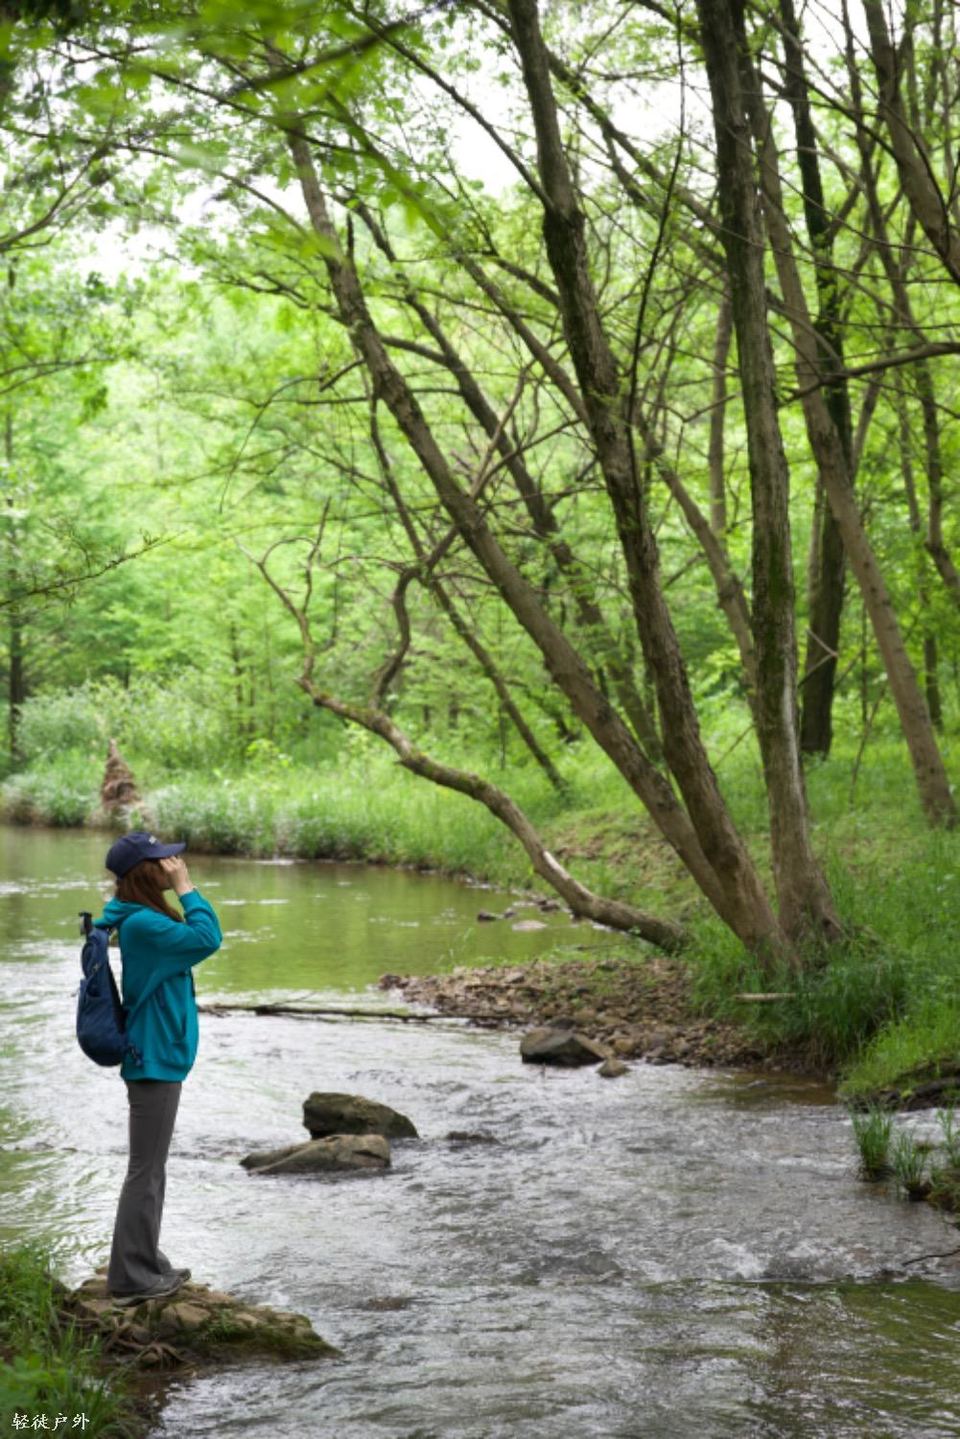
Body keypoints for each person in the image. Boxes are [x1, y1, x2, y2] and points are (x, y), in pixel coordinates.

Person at [97, 831, 222, 1307]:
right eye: (163, 860)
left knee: (151, 1169)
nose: (173, 863)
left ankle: (144, 1260)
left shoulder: (136, 916)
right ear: (146, 873)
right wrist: (187, 887)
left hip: (155, 1053)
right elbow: (207, 938)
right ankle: (131, 1278)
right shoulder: (145, 925)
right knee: (145, 1170)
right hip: (153, 1057)